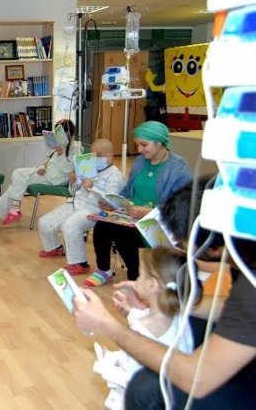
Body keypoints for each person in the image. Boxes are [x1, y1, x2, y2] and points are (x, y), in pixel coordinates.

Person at [74, 185, 256, 408]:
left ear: (213, 246)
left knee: (146, 389)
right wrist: (162, 300)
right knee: (189, 323)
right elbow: (232, 308)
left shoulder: (250, 284)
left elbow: (196, 379)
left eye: (180, 244)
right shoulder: (245, 263)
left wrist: (106, 324)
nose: (180, 251)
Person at [83, 121, 191, 287]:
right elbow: (128, 191)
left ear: (160, 142)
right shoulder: (141, 162)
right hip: (132, 215)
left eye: (144, 145)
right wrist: (114, 202)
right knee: (102, 226)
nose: (139, 150)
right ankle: (104, 270)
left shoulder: (178, 167)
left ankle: (135, 278)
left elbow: (181, 206)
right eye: (138, 145)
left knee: (125, 233)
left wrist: (149, 211)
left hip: (158, 222)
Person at [92, 248, 194, 409]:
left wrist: (106, 362)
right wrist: (131, 311)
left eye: (140, 275)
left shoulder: (146, 326)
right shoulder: (178, 316)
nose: (136, 279)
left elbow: (131, 376)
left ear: (152, 285)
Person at [37, 138, 126, 274]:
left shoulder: (115, 175)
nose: (95, 158)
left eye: (100, 155)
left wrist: (93, 187)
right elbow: (74, 192)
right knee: (44, 222)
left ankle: (80, 263)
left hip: (96, 210)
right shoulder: (87, 167)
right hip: (77, 204)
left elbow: (111, 202)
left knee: (70, 226)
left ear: (111, 156)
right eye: (93, 155)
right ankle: (55, 247)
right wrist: (72, 181)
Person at [0, 119, 77, 225]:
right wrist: (42, 167)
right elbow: (48, 160)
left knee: (18, 175)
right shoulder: (59, 146)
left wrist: (62, 154)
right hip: (46, 173)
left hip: (54, 179)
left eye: (60, 132)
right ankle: (0, 211)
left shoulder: (73, 149)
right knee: (17, 180)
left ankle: (5, 210)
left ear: (68, 133)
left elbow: (70, 170)